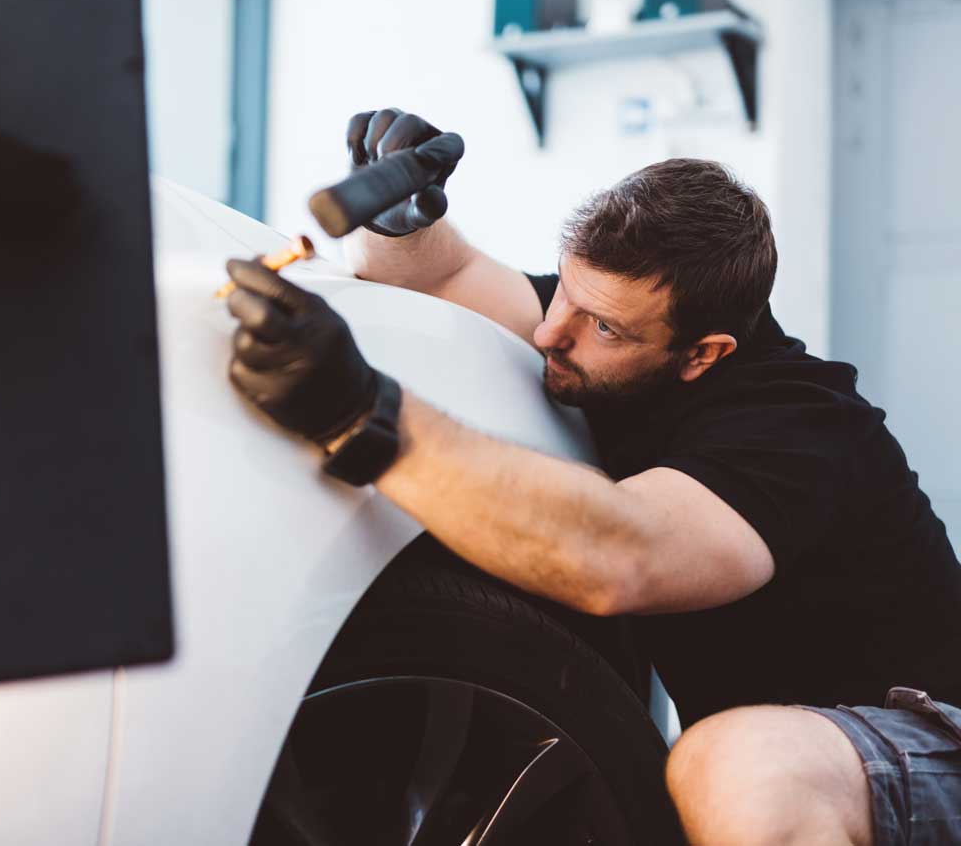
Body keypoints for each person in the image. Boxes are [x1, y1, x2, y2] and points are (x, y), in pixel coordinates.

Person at [222, 108, 961, 845]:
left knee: (742, 768)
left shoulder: (801, 425)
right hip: (814, 744)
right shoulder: (608, 329)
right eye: (565, 294)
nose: (551, 332)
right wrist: (399, 224)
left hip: (934, 736)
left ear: (703, 354)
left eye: (602, 326)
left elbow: (621, 554)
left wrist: (361, 413)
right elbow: (448, 275)